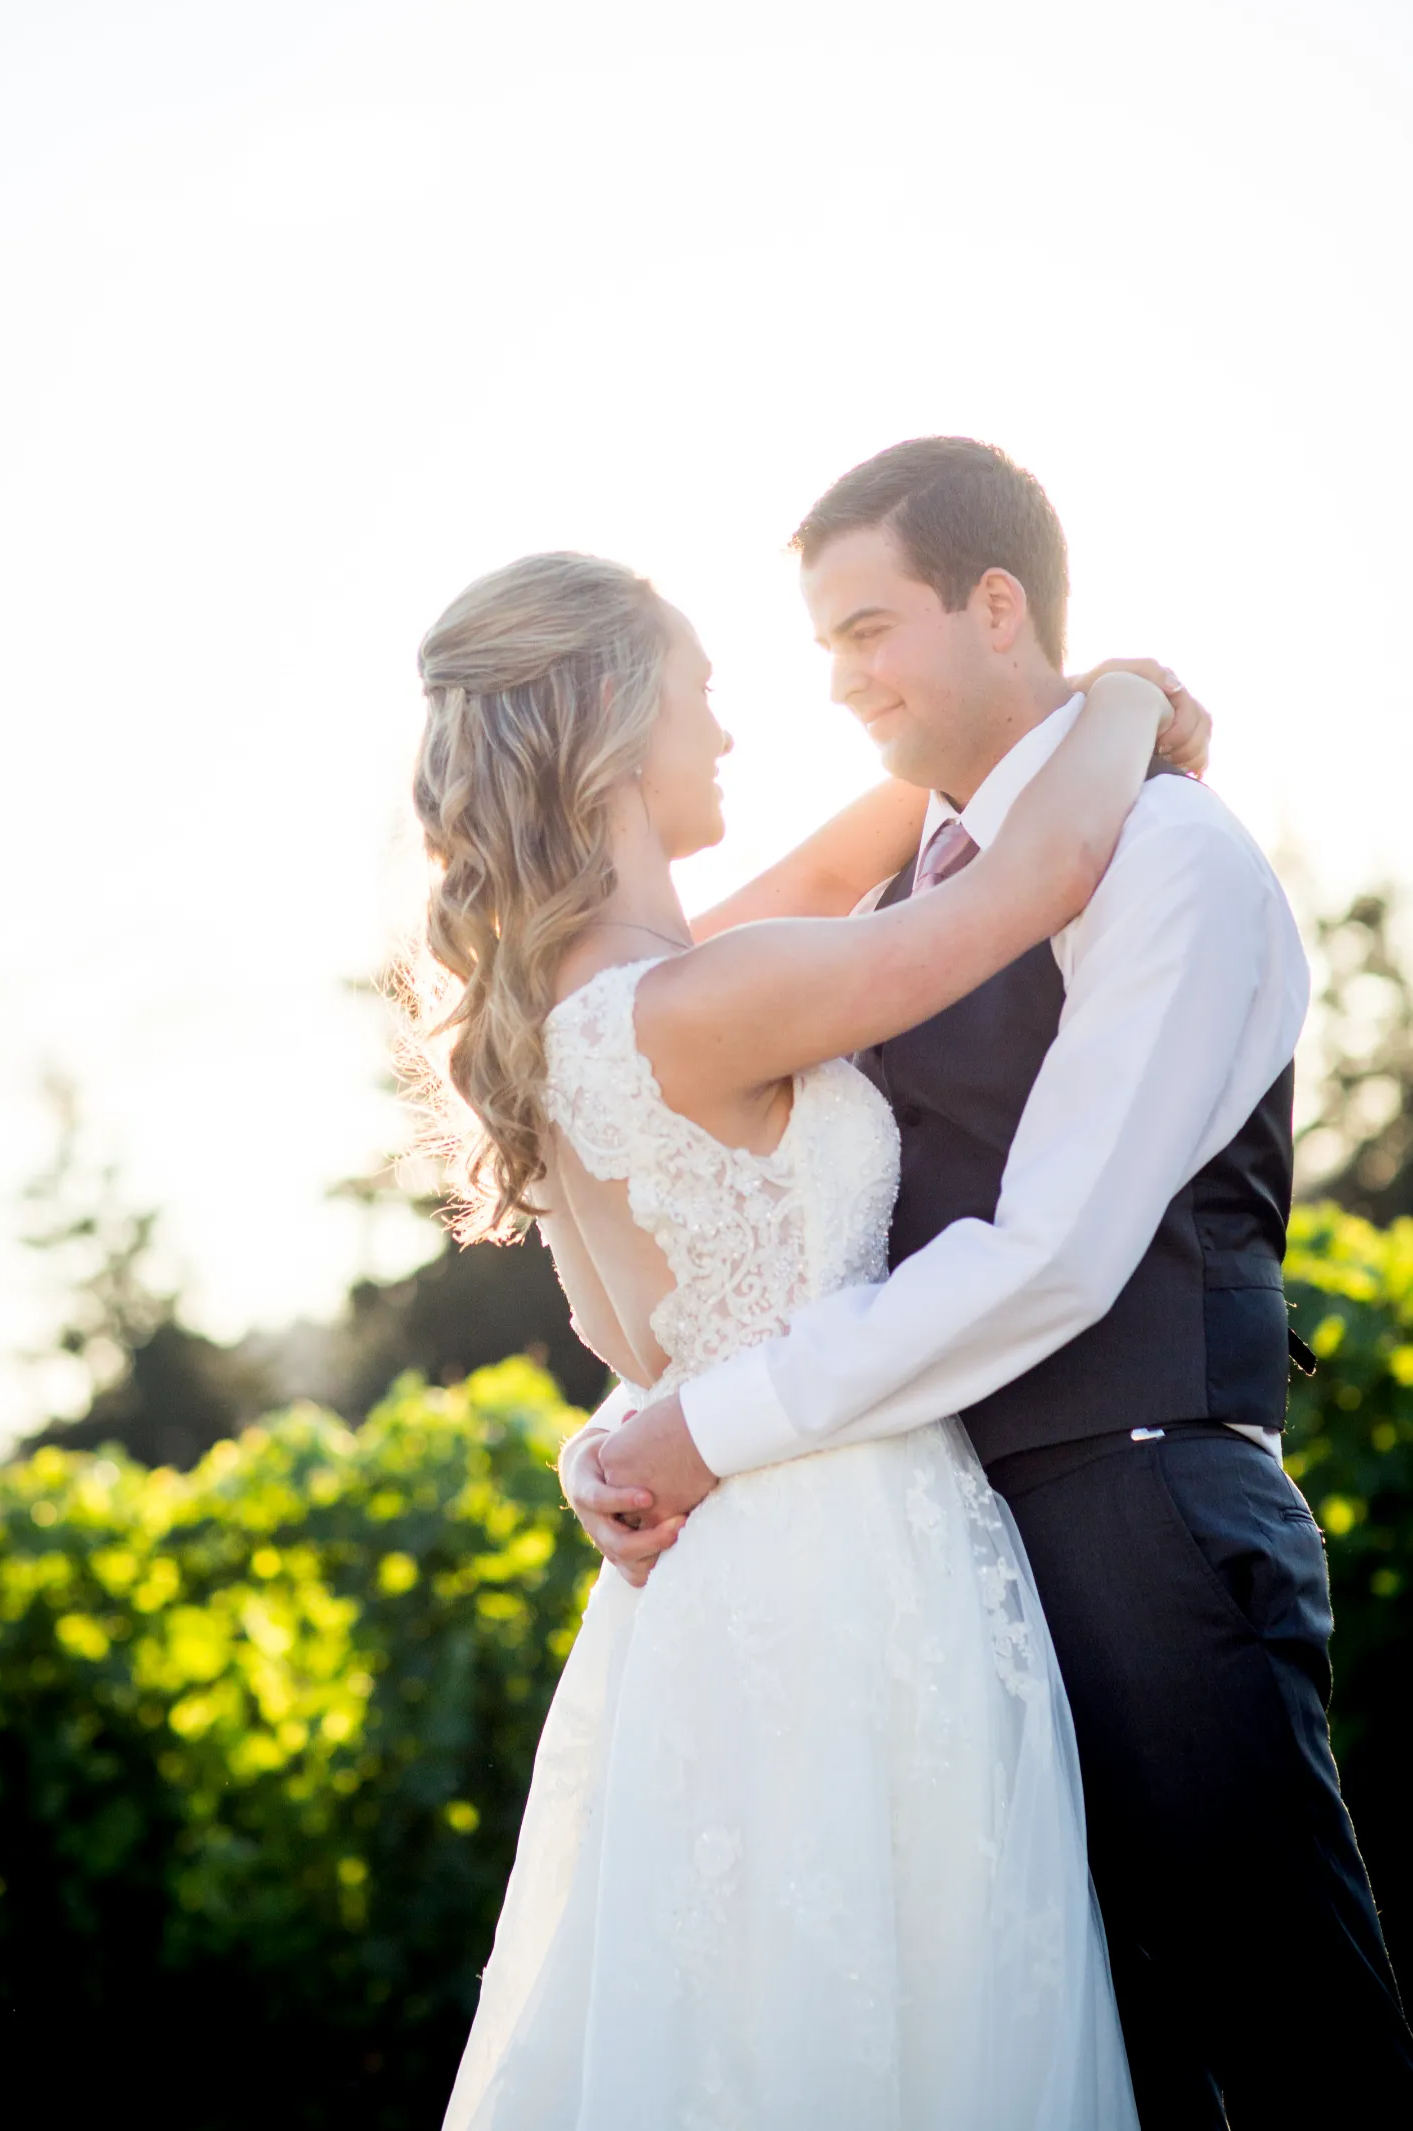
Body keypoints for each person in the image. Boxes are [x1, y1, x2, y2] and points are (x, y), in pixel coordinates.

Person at [580, 438, 1413, 2126]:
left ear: (999, 602)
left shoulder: (1170, 857)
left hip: (1145, 1517)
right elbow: (764, 1209)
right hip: (951, 1573)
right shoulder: (907, 903)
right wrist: (632, 1423)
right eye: (822, 644)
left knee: (1298, 2051)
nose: (840, 682)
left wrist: (714, 1427)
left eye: (870, 629)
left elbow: (1054, 1253)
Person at [412, 533, 1204, 2127]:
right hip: (849, 1565)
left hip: (703, 1592)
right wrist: (1120, 701)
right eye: (703, 695)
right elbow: (1027, 885)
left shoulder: (597, 1003)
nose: (728, 731)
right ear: (620, 726)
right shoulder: (702, 999)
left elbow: (866, 857)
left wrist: (990, 738)